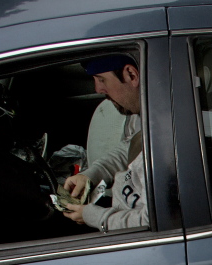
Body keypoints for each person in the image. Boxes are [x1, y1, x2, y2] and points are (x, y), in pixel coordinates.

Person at [61, 54, 147, 233]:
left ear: (131, 75)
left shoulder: (168, 144)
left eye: (101, 79)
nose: (98, 89)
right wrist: (91, 175)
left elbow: (151, 221)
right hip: (117, 210)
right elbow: (132, 146)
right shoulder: (142, 112)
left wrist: (95, 217)